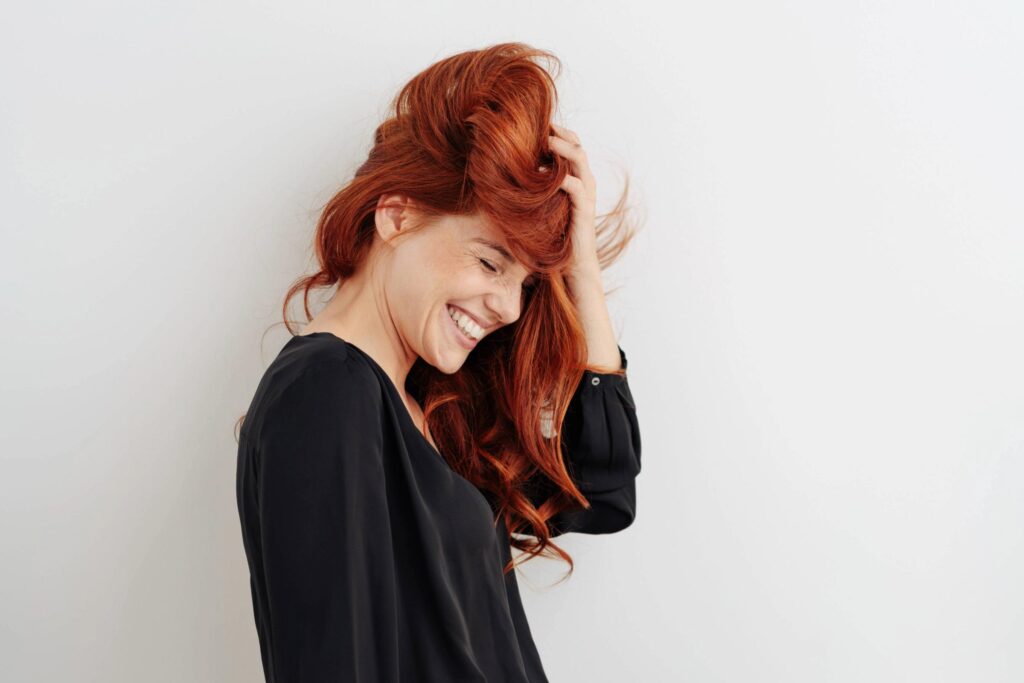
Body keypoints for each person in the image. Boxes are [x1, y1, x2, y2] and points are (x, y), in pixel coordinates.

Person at [235, 42, 642, 682]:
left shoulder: (430, 414)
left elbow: (601, 490)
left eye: (526, 284)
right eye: (489, 262)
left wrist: (580, 263)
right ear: (397, 216)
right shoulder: (325, 391)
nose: (508, 308)